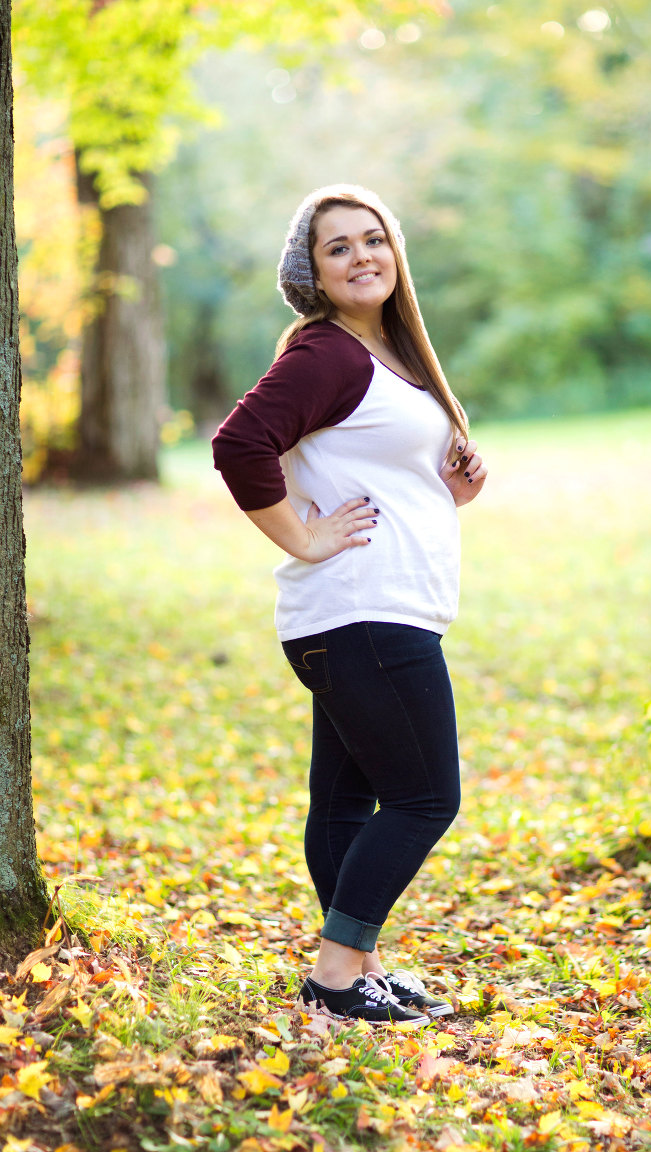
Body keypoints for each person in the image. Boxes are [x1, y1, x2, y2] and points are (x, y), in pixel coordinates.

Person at [212, 184, 487, 1025]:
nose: (363, 255)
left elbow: (376, 467)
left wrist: (452, 483)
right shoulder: (328, 352)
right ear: (314, 271)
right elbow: (238, 443)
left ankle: (360, 964)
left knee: (344, 803)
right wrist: (299, 535)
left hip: (366, 614)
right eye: (339, 247)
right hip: (363, 612)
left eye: (374, 239)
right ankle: (335, 975)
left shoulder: (389, 356)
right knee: (425, 799)